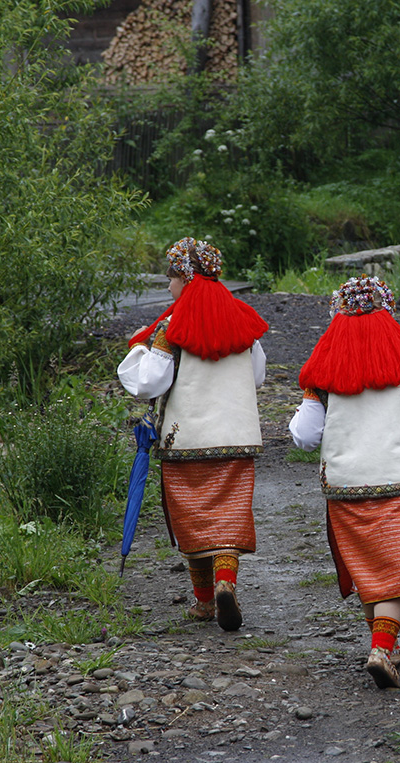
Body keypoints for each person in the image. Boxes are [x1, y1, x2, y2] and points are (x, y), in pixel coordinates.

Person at [288, 276, 400, 689]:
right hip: (399, 476)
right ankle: (382, 649)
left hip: (345, 482)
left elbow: (305, 436)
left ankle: (385, 643)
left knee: (366, 563)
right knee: (394, 566)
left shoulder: (323, 375)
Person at [116, 237, 268, 632]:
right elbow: (256, 377)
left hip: (185, 442)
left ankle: (203, 602)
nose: (168, 286)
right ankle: (225, 583)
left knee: (192, 518)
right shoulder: (244, 322)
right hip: (236, 439)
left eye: (170, 278)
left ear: (186, 278)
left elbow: (149, 384)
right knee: (229, 516)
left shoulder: (171, 328)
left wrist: (139, 348)